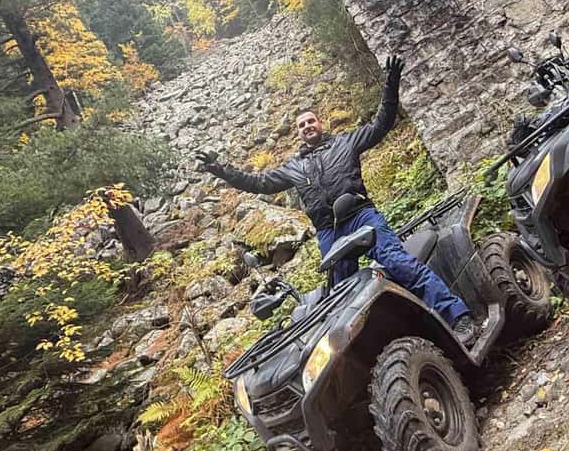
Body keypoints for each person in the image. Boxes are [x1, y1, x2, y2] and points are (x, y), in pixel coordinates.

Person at [194, 56, 477, 346]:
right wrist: (221, 169)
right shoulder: (292, 167)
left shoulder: (346, 142)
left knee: (398, 262)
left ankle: (457, 316)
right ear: (299, 133)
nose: (307, 126)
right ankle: (385, 349)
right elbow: (257, 183)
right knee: (343, 297)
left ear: (320, 123)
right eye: (301, 125)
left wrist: (391, 86)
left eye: (310, 121)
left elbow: (381, 124)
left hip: (360, 215)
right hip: (329, 232)